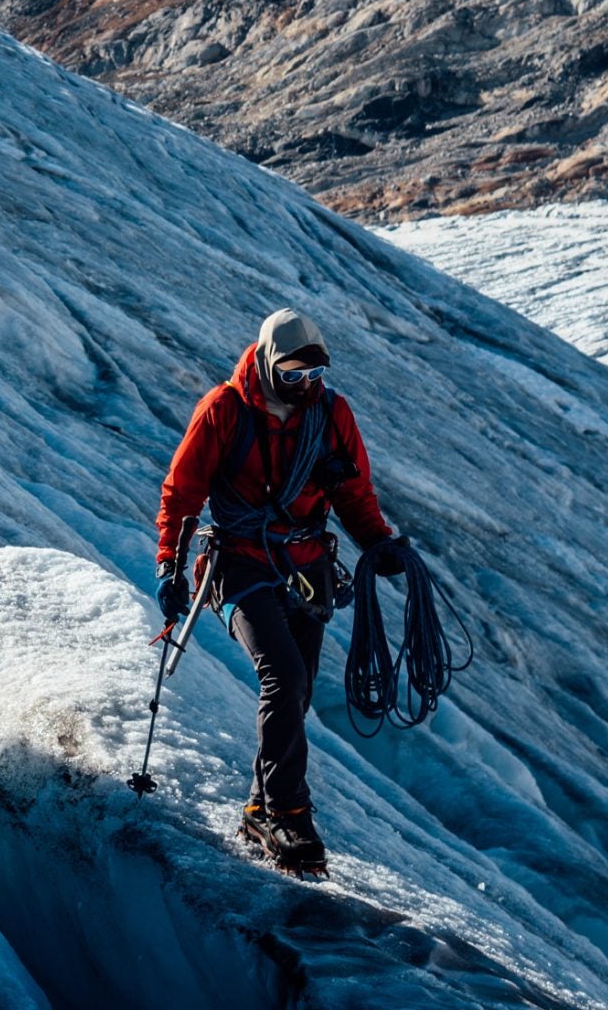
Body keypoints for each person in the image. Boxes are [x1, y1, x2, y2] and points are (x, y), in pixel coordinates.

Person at [154, 309, 406, 878]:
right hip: (239, 566)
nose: (306, 386)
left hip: (307, 566)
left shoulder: (331, 413)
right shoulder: (223, 411)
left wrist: (378, 543)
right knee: (284, 676)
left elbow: (354, 492)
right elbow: (182, 493)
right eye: (294, 376)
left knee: (295, 695)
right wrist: (169, 564)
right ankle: (288, 814)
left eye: (314, 375)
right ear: (268, 363)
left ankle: (258, 809)